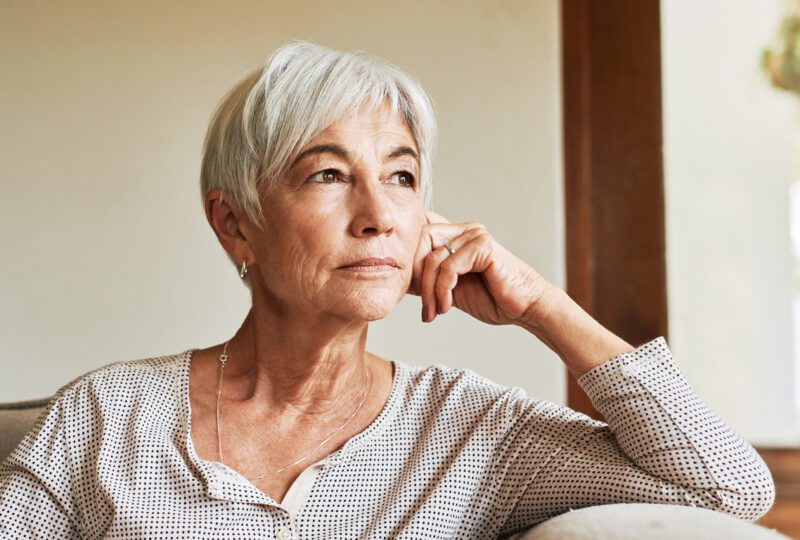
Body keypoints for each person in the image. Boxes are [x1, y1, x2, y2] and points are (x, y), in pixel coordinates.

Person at [0, 40, 775, 539]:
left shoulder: (472, 432)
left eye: (401, 177)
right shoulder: (104, 420)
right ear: (236, 226)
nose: (377, 215)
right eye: (328, 175)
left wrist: (543, 304)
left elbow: (727, 488)